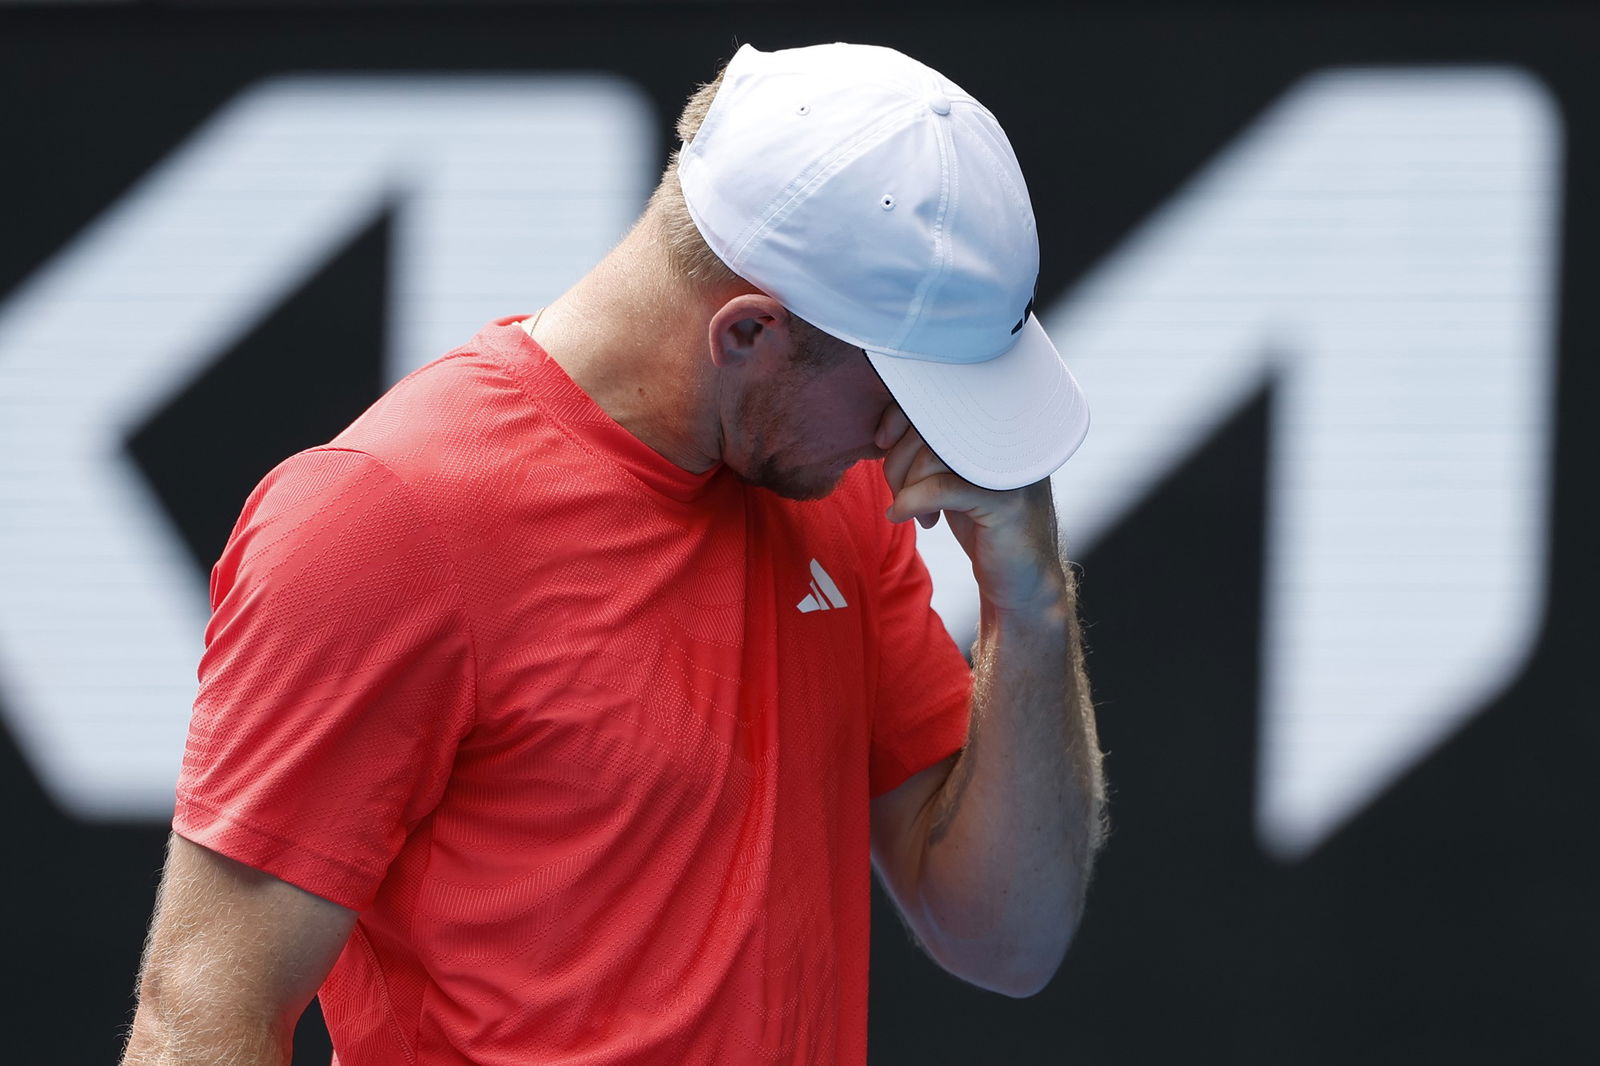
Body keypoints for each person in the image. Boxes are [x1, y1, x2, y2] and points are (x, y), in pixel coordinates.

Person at [121, 41, 1106, 1066]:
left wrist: (1028, 611)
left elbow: (1007, 941)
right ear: (749, 333)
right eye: (899, 395)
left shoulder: (841, 489)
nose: (915, 439)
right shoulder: (380, 520)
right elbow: (199, 1025)